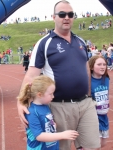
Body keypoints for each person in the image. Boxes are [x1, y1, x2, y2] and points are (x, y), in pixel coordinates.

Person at [17, 1, 100, 150]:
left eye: (70, 14)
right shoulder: (44, 43)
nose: (66, 17)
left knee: (92, 146)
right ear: (54, 17)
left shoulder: (80, 41)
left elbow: (86, 69)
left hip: (85, 104)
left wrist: (88, 95)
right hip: (59, 107)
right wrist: (20, 102)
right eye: (62, 14)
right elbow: (31, 76)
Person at [17, 75, 79, 150]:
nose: (53, 96)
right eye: (50, 94)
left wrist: (52, 125)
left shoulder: (45, 106)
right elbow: (39, 136)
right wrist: (62, 135)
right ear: (39, 95)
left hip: (51, 146)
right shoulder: (31, 112)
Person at [89, 56, 110, 148]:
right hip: (92, 117)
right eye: (99, 64)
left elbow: (107, 94)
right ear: (91, 67)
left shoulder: (106, 79)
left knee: (103, 144)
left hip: (103, 116)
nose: (103, 67)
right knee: (95, 145)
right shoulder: (88, 81)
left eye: (104, 64)